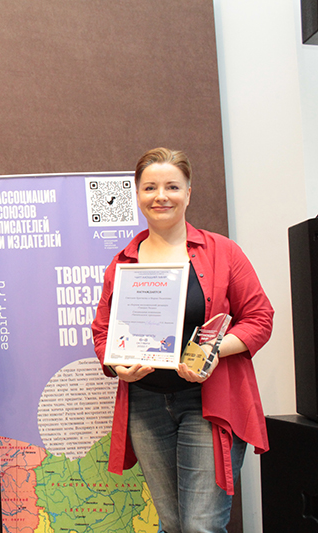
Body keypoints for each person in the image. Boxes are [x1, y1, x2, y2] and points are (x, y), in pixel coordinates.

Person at [91, 147, 274, 533]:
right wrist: (117, 364)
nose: (161, 196)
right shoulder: (123, 262)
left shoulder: (223, 252)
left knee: (200, 526)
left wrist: (210, 351)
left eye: (172, 186)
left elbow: (260, 319)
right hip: (146, 405)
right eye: (150, 187)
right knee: (174, 525)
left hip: (208, 402)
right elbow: (103, 332)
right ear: (137, 195)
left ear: (188, 193)